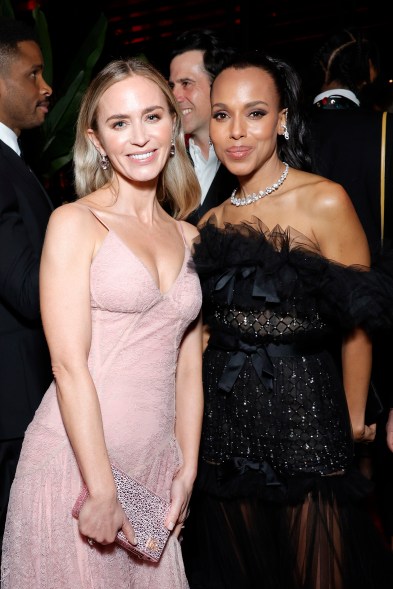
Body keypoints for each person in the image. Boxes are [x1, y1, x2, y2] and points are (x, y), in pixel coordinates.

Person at [182, 50, 393, 589]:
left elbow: (359, 321)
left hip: (308, 419)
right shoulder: (210, 220)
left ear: (281, 120)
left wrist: (349, 421)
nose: (236, 131)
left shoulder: (324, 200)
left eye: (255, 113)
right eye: (223, 113)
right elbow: (201, 337)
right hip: (225, 427)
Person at [1, 57, 203, 588]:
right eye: (119, 123)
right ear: (96, 138)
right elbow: (68, 366)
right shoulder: (76, 223)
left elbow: (188, 365)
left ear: (174, 125)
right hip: (78, 463)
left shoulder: (188, 237)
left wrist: (188, 468)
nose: (139, 137)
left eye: (152, 117)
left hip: (155, 466)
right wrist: (101, 489)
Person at [308, 25, 393, 547]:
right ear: (368, 75)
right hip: (376, 320)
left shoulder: (285, 133)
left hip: (301, 330)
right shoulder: (381, 131)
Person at [0, 17, 53, 566]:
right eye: (33, 73)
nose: (46, 87)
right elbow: (30, 288)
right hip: (13, 411)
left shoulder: (14, 160)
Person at [168, 28, 237, 224]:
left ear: (219, 85)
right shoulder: (164, 161)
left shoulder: (248, 158)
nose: (175, 96)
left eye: (186, 83)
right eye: (172, 85)